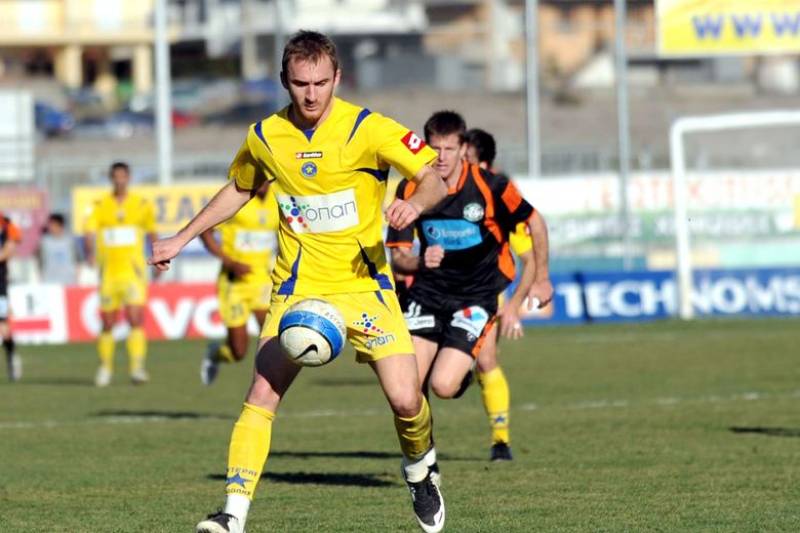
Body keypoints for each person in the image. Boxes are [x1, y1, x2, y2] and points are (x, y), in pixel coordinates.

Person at [149, 31, 449, 533]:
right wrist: (181, 238)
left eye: (320, 83)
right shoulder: (265, 135)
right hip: (297, 290)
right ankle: (232, 514)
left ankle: (420, 470)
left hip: (364, 286)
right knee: (261, 392)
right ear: (284, 81)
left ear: (337, 78)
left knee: (405, 399)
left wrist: (414, 205)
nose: (311, 95)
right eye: (300, 84)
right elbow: (240, 188)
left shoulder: (369, 128)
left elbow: (433, 177)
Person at [386, 111, 553, 468]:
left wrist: (542, 277)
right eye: (434, 148)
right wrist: (419, 261)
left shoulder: (491, 186)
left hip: (475, 297)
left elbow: (535, 222)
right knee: (408, 388)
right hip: (427, 295)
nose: (441, 157)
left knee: (444, 386)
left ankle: (466, 389)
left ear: (463, 148)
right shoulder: (410, 189)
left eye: (449, 148)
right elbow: (398, 259)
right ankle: (423, 458)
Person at [464, 127, 535, 461]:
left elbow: (527, 252)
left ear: (484, 163)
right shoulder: (441, 187)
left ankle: (501, 441)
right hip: (436, 291)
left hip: (484, 293)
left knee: (486, 361)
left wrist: (515, 304)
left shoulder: (499, 197)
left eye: (466, 158)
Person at [84, 162, 158, 387]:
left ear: (128, 177)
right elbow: (89, 232)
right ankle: (105, 367)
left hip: (133, 273)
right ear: (111, 179)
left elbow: (152, 232)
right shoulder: (100, 205)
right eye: (115, 177)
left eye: (123, 176)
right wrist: (89, 252)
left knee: (135, 319)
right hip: (108, 273)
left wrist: (158, 257)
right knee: (108, 322)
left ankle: (137, 368)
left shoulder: (141, 204)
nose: (119, 180)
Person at [199, 180, 279, 385]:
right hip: (234, 283)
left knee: (272, 338)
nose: (263, 181)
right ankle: (216, 354)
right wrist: (230, 263)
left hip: (263, 280)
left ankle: (266, 385)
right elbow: (205, 231)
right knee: (238, 351)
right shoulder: (237, 201)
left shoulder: (277, 199)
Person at [0, 213, 22, 381]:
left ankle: (11, 355)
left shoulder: (7, 225)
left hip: (0, 283)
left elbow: (7, 252)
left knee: (3, 325)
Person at [38, 213, 78, 285]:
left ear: (60, 226)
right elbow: (40, 262)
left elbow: (77, 261)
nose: (51, 228)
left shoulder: (70, 241)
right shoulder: (44, 242)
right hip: (49, 281)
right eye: (50, 225)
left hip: (68, 281)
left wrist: (76, 278)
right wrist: (41, 277)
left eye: (53, 225)